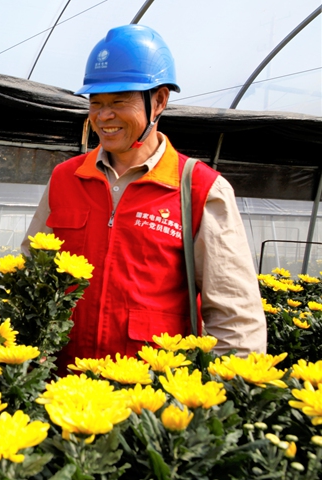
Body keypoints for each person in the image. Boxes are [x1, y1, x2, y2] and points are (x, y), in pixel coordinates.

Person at [23, 25, 266, 371]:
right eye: (96, 103)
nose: (103, 116)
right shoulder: (66, 178)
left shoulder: (198, 189)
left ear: (160, 101)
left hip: (151, 399)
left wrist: (223, 397)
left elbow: (235, 317)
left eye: (119, 102)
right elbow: (31, 276)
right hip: (64, 388)